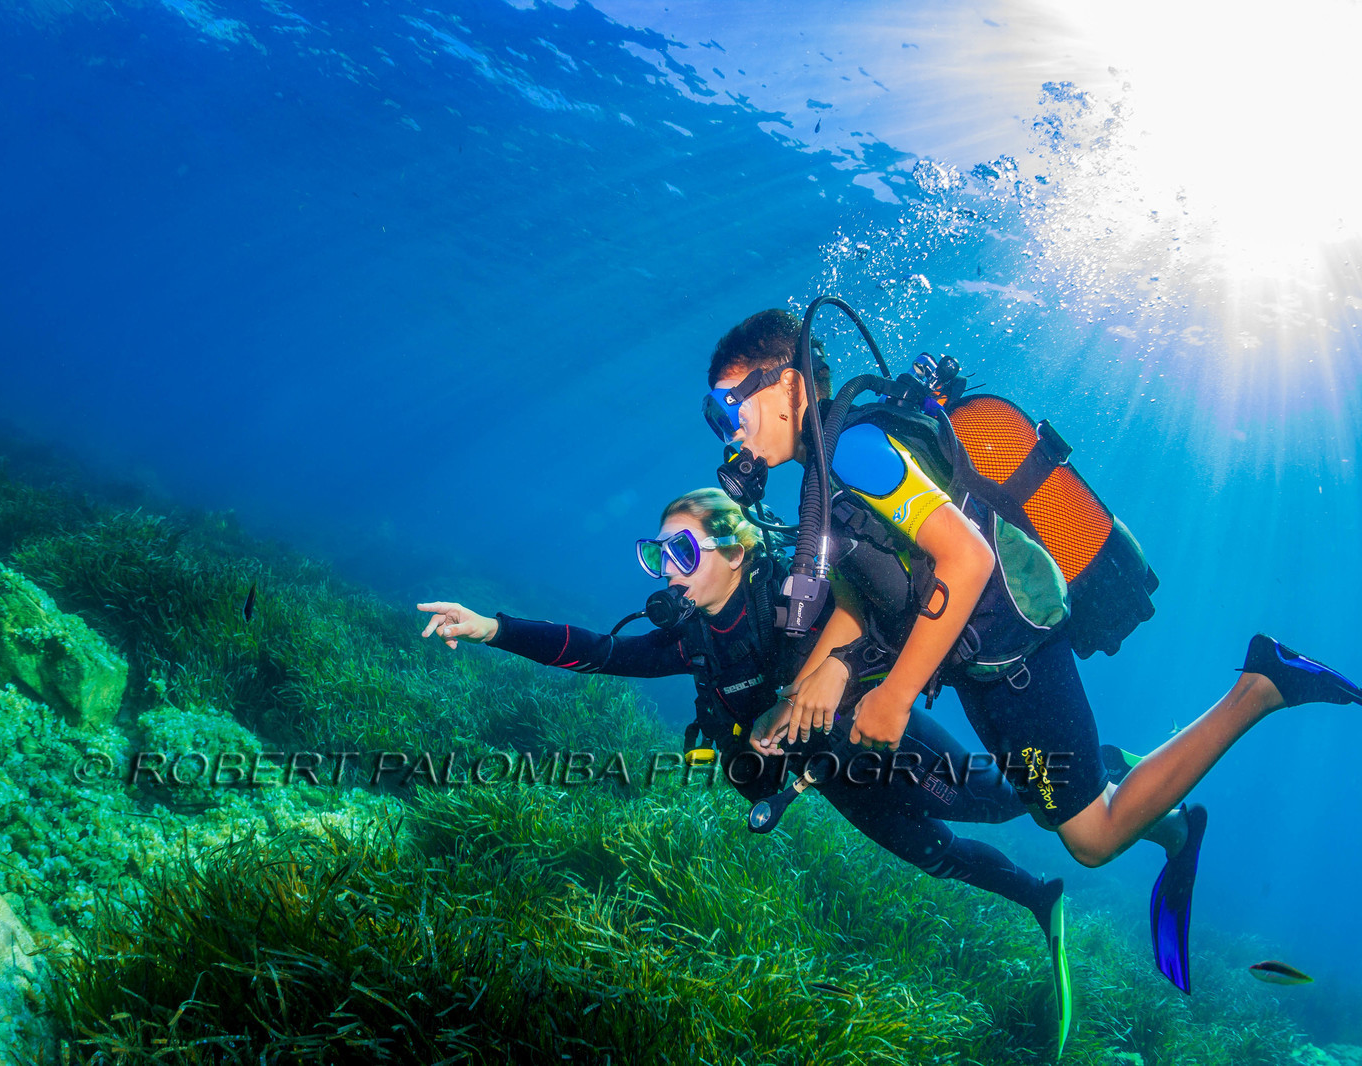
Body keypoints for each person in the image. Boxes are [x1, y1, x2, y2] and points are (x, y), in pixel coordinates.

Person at [702, 307, 1362, 998]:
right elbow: (859, 598)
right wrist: (797, 696)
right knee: (1058, 806)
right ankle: (1171, 827)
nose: (728, 433)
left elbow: (968, 559)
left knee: (1091, 839)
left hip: (1017, 662)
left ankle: (1261, 686)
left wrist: (894, 694)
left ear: (787, 383)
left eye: (729, 406)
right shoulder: (828, 470)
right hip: (981, 670)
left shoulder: (852, 451)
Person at [419, 488, 1073, 1048]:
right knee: (936, 855)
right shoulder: (690, 636)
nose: (666, 573)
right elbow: (604, 651)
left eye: (680, 554)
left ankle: (1093, 763)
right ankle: (1040, 898)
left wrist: (832, 687)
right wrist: (492, 629)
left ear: (735, 550)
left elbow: (883, 622)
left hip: (880, 742)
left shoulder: (795, 595)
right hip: (826, 777)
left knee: (1000, 800)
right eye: (658, 556)